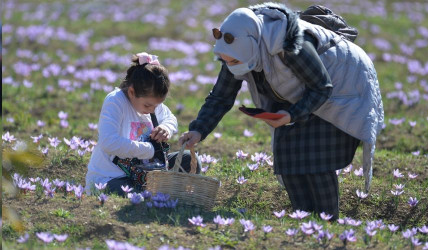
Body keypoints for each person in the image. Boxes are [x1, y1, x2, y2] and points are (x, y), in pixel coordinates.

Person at [179, 3, 384, 220]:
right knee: (289, 162)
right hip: (296, 94)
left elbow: (322, 87)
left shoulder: (291, 44)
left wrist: (292, 115)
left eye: (234, 62)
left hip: (341, 90)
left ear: (252, 45)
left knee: (317, 163)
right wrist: (199, 130)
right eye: (227, 61)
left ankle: (327, 223)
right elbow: (221, 97)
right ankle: (304, 222)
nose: (231, 66)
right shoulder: (235, 50)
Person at [86, 52, 200, 196]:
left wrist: (166, 128)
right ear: (132, 92)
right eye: (148, 106)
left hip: (147, 173)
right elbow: (109, 142)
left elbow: (170, 118)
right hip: (112, 177)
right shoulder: (115, 101)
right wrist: (150, 150)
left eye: (157, 106)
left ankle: (159, 192)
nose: (152, 110)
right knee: (133, 194)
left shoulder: (152, 104)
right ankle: (161, 193)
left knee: (188, 161)